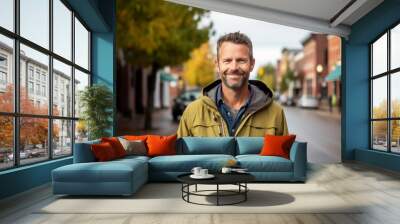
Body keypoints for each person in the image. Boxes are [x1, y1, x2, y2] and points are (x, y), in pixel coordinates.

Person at [177, 32, 288, 137]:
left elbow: (284, 156)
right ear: (217, 64)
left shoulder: (276, 113)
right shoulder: (192, 112)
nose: (234, 67)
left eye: (241, 60)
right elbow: (180, 156)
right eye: (227, 60)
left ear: (252, 64)